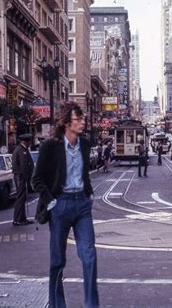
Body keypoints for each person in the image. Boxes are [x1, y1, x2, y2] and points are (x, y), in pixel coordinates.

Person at [32, 102, 99, 308]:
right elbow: (37, 179)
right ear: (66, 122)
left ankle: (91, 305)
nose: (82, 122)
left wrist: (89, 193)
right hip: (60, 205)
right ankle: (56, 305)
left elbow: (84, 173)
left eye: (82, 119)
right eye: (78, 119)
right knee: (57, 260)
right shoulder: (50, 146)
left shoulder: (85, 144)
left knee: (89, 256)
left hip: (82, 206)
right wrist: (51, 201)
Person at [11, 133, 35, 226]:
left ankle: (22, 219)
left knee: (22, 198)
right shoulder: (21, 150)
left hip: (20, 176)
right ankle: (17, 220)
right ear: (25, 141)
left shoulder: (21, 149)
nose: (30, 143)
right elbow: (24, 166)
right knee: (20, 199)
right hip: (21, 177)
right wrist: (28, 178)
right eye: (29, 141)